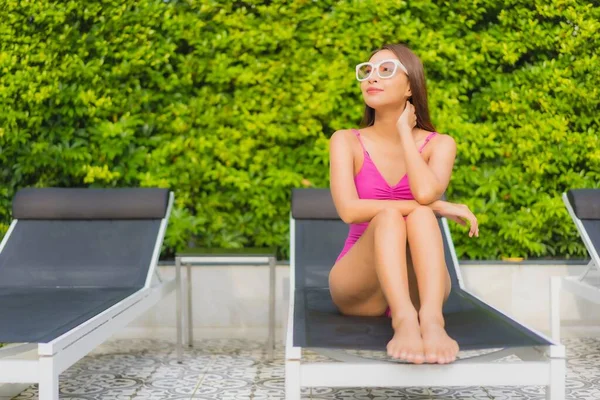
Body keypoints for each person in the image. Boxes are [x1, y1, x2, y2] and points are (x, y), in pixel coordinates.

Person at [328, 43, 479, 365]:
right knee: (390, 217)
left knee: (421, 214)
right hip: (359, 287)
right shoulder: (346, 140)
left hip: (421, 287)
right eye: (366, 71)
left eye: (386, 70)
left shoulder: (439, 144)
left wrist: (404, 134)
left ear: (411, 85)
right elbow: (349, 211)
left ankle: (432, 320)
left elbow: (425, 194)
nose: (372, 77)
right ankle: (404, 321)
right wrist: (441, 207)